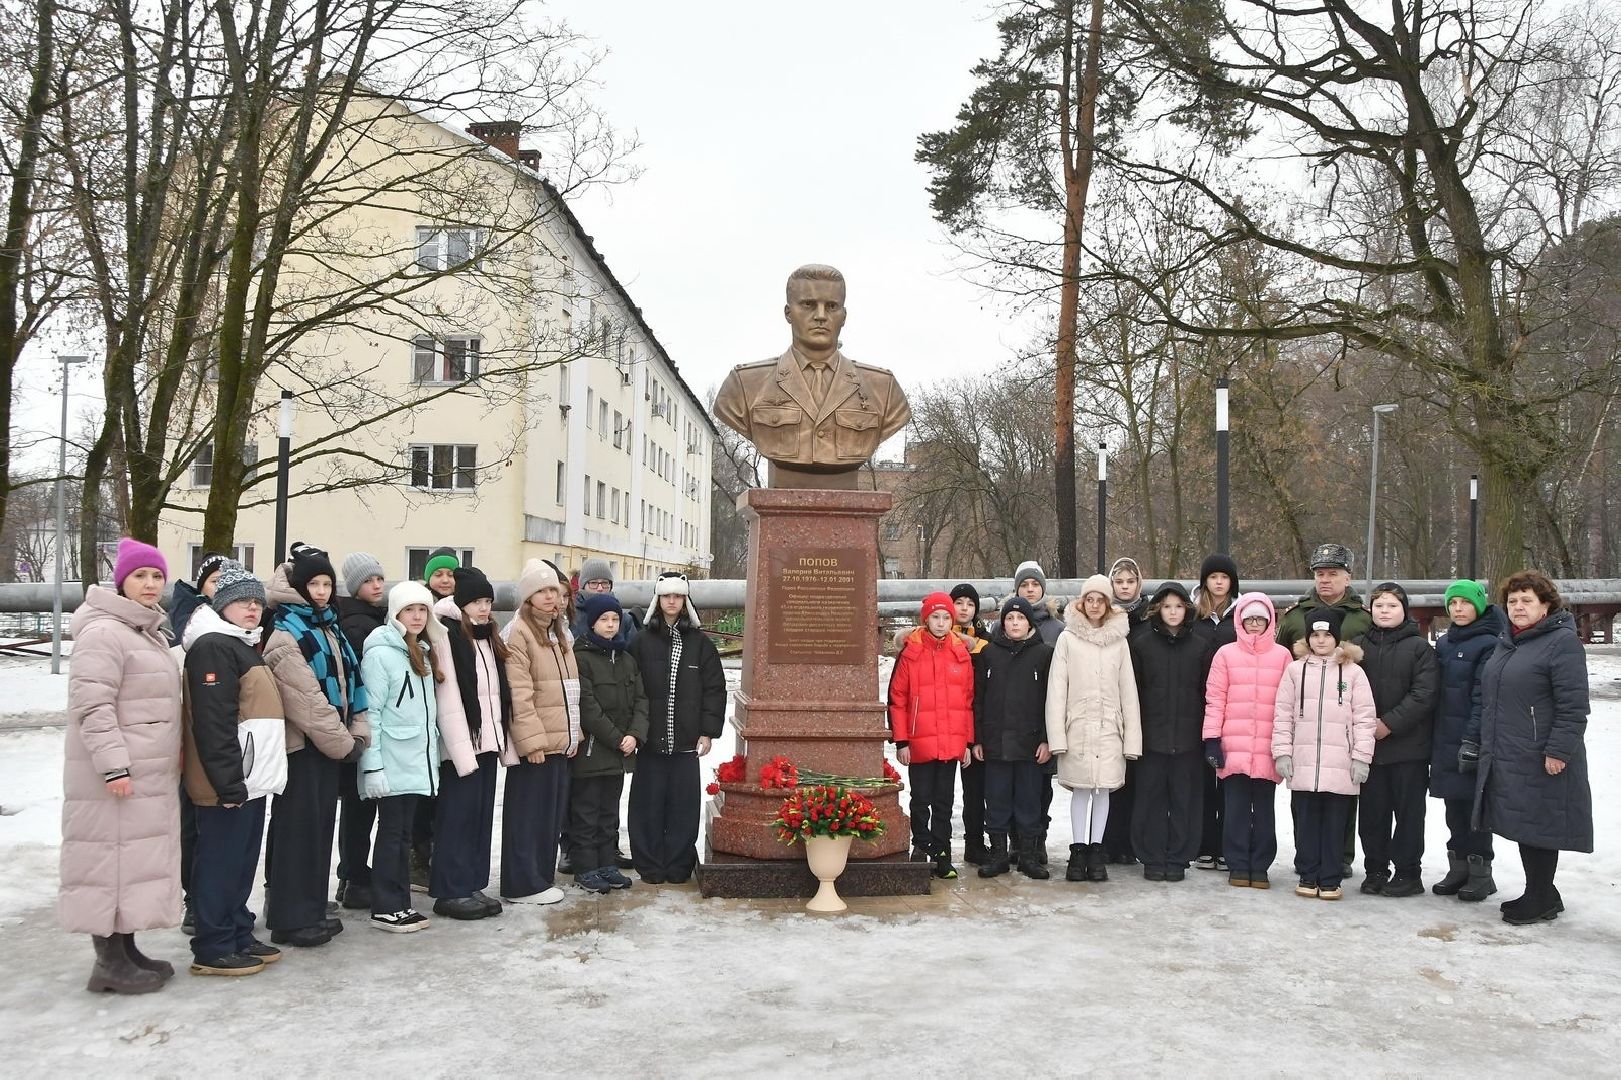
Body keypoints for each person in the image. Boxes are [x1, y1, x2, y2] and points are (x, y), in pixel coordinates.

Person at [60, 539, 184, 994]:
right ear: (121, 582)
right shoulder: (104, 633)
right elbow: (93, 706)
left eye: (156, 576)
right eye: (140, 576)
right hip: (116, 773)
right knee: (108, 861)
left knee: (131, 860)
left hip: (144, 769)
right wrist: (114, 766)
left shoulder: (142, 631)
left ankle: (126, 949)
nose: (151, 585)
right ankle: (108, 962)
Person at [712, 263, 911, 489]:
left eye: (831, 306)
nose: (820, 316)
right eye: (808, 305)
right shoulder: (745, 384)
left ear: (844, 316)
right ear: (788, 313)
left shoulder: (883, 389)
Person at [181, 560, 286, 975]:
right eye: (241, 602)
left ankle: (237, 930)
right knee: (220, 862)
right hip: (226, 783)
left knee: (241, 862)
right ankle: (213, 944)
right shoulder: (213, 646)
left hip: (249, 780)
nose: (252, 609)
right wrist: (228, 783)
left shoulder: (241, 644)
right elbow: (213, 722)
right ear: (221, 604)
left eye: (256, 602)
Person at [1471, 571, 1592, 925]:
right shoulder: (1509, 641)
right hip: (1510, 750)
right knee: (1525, 823)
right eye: (1512, 601)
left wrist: (1558, 750)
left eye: (1527, 600)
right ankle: (1541, 890)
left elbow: (1573, 705)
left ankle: (1541, 897)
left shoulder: (1561, 643)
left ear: (1546, 605)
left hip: (1543, 753)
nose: (1518, 607)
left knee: (1540, 824)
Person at [263, 541, 368, 948]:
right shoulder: (286, 632)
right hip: (304, 748)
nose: (322, 591)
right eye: (315, 584)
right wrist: (344, 742)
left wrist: (358, 731)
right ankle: (291, 917)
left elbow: (353, 684)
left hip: (331, 747)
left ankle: (310, 907)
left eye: (327, 583)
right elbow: (306, 701)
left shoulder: (328, 625)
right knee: (299, 833)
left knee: (320, 831)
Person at [1275, 542, 1373, 878]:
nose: (1325, 580)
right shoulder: (1295, 618)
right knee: (1303, 795)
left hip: (1345, 720)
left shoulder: (1363, 619)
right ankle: (1307, 858)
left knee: (1342, 796)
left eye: (1333, 573)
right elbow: (1280, 664)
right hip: (1304, 723)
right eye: (1320, 573)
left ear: (1348, 577)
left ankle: (1340, 857)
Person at [629, 572, 726, 884]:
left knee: (682, 807)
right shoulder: (641, 642)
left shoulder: (700, 644)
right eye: (666, 596)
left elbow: (714, 689)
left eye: (678, 596)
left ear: (685, 602)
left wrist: (708, 731)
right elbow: (629, 688)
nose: (672, 601)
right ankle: (649, 864)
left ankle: (678, 863)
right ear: (658, 600)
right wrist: (634, 730)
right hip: (649, 743)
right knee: (648, 805)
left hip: (686, 742)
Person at [358, 581, 444, 933]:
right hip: (392, 762)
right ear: (395, 613)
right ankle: (386, 904)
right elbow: (372, 714)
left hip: (415, 760)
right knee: (392, 833)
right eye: (410, 610)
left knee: (404, 834)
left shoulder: (420, 651)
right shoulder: (381, 654)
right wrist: (373, 766)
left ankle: (400, 901)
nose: (417, 616)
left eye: (422, 610)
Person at [1045, 574, 1141, 884]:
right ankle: (1078, 850)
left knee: (1103, 790)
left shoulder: (1119, 642)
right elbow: (1057, 690)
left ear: (1108, 604)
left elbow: (1129, 692)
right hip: (1078, 727)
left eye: (1101, 600)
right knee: (1081, 789)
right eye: (1090, 599)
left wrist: (1132, 740)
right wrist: (1057, 736)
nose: (1095, 605)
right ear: (1082, 603)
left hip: (1110, 728)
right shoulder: (1067, 639)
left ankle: (1097, 850)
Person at [427, 566, 510, 920]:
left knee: (478, 815)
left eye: (488, 601)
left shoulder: (487, 635)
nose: (484, 608)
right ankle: (450, 889)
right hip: (461, 742)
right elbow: (449, 698)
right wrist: (460, 747)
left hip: (487, 738)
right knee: (456, 816)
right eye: (476, 601)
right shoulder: (447, 636)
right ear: (460, 603)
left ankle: (471, 881)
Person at [501, 559, 579, 904]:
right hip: (538, 743)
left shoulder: (557, 631)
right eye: (542, 591)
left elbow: (568, 690)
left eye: (554, 591)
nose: (551, 597)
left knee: (549, 814)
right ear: (528, 597)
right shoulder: (519, 632)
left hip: (559, 740)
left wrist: (572, 734)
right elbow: (520, 691)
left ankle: (540, 878)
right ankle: (522, 883)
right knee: (528, 814)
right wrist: (531, 742)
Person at [1355, 582, 1439, 896]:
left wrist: (1389, 723)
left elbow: (1424, 694)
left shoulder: (1419, 648)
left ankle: (1408, 872)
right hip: (1369, 749)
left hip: (1408, 749)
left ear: (1404, 610)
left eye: (1391, 605)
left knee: (1408, 815)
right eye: (1379, 606)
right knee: (1373, 814)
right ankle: (1375, 869)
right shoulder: (1357, 646)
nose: (1385, 611)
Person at [1203, 593, 1292, 889]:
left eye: (1260, 619)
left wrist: (1285, 745)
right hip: (1235, 747)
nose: (1254, 624)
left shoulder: (1282, 656)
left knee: (1264, 811)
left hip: (1268, 747)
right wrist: (1212, 739)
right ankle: (1238, 864)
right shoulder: (1226, 655)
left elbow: (1288, 704)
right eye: (1249, 619)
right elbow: (1215, 700)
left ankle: (1261, 865)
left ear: (1270, 621)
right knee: (1236, 810)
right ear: (1240, 621)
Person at [1129, 582, 1214, 882]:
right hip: (1152, 738)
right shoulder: (1141, 644)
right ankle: (1151, 856)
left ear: (1187, 609)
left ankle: (1179, 857)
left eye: (1178, 606)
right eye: (1167, 606)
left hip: (1189, 739)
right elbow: (1134, 692)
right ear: (1157, 609)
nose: (1173, 612)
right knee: (1150, 799)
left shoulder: (1201, 645)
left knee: (1184, 800)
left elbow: (1208, 693)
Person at [889, 592, 977, 880]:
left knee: (944, 801)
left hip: (950, 741)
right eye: (935, 617)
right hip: (919, 741)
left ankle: (942, 852)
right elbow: (897, 698)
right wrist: (902, 741)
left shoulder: (960, 653)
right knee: (920, 798)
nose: (941, 623)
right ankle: (921, 846)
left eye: (946, 618)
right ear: (925, 619)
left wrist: (966, 741)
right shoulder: (911, 652)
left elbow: (967, 701)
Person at [1430, 579, 1504, 901]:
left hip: (1471, 739)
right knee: (1453, 808)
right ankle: (1457, 865)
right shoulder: (1445, 643)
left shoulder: (1490, 643)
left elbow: (1483, 698)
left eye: (1465, 603)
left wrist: (1472, 740)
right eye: (1453, 604)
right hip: (1444, 737)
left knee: (1475, 808)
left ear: (1479, 605)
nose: (1459, 609)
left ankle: (1480, 870)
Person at [571, 592, 648, 894]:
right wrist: (618, 738)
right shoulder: (581, 658)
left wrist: (635, 734)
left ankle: (606, 864)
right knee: (586, 813)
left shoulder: (626, 659)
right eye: (604, 619)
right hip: (593, 752)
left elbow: (641, 700)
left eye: (615, 619)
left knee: (608, 814)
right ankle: (586, 868)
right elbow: (587, 707)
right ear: (592, 622)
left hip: (620, 753)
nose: (610, 624)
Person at [973, 596, 1054, 879]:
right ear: (1002, 623)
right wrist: (978, 739)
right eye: (1010, 618)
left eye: (1020, 618)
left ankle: (1029, 855)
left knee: (1029, 801)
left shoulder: (1044, 654)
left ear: (1029, 622)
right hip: (996, 743)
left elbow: (1051, 701)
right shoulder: (989, 654)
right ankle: (998, 854)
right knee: (996, 800)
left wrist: (1047, 739)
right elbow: (978, 699)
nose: (1015, 623)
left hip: (1030, 745)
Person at [171, 549, 228, 936]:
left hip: (230, 742)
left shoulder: (243, 628)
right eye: (213, 581)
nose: (220, 589)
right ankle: (194, 899)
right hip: (192, 739)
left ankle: (223, 899)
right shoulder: (188, 634)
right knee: (194, 823)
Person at [333, 551, 387, 912]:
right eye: (369, 581)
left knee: (362, 805)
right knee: (359, 806)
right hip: (361, 725)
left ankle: (352, 875)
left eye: (379, 578)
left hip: (363, 725)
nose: (377, 585)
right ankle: (353, 876)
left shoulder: (370, 618)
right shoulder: (357, 624)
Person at [410, 549, 459, 890]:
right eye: (438, 573)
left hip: (450, 716)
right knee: (422, 797)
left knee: (445, 793)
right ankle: (418, 856)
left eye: (450, 574)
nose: (445, 579)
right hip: (423, 716)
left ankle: (438, 854)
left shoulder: (462, 614)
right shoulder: (418, 613)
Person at [1191, 553, 1240, 872]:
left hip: (1234, 707)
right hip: (1197, 706)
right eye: (1213, 577)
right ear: (1205, 581)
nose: (1219, 582)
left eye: (1224, 577)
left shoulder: (1242, 616)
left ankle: (1226, 844)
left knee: (1229, 779)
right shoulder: (1193, 615)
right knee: (1203, 780)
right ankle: (1205, 843)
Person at [1103, 557, 1149, 864]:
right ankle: (1107, 841)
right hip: (1109, 704)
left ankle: (1132, 843)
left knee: (1137, 780)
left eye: (1130, 582)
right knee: (1110, 778)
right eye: (1119, 582)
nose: (1125, 587)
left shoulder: (1150, 618)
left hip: (1142, 705)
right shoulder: (1105, 617)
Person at [951, 582, 990, 866]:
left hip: (973, 722)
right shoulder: (938, 636)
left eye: (970, 604)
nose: (964, 608)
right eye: (959, 602)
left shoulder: (986, 643)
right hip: (943, 722)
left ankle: (974, 843)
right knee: (936, 792)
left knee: (975, 790)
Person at [571, 556, 642, 642]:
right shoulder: (571, 616)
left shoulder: (624, 619)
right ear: (583, 586)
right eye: (593, 583)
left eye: (605, 583)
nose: (600, 588)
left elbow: (632, 651)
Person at [1011, 560, 1065, 645]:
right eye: (1024, 585)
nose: (1030, 589)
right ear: (1017, 590)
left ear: (1043, 588)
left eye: (1035, 584)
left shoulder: (1058, 629)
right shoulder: (1001, 627)